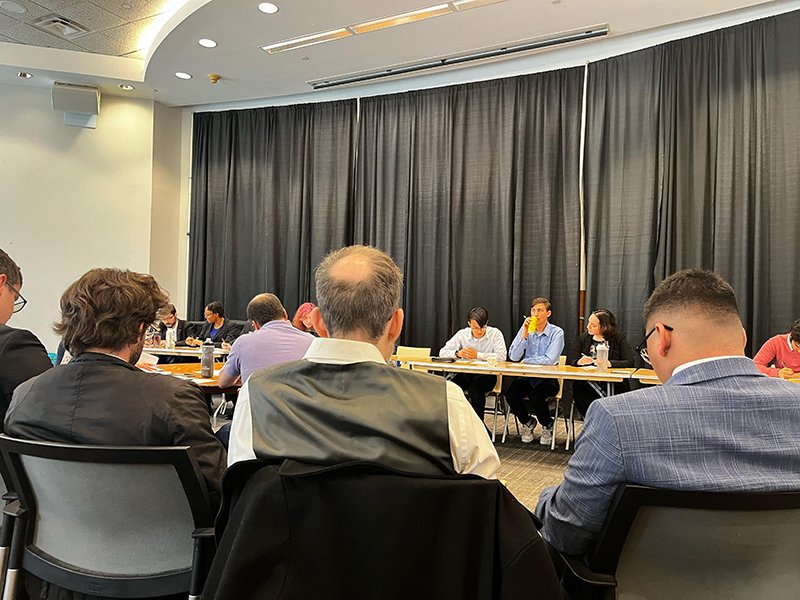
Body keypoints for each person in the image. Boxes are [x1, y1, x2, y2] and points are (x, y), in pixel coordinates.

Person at [535, 269, 800, 558]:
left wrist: (546, 496)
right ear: (743, 337)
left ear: (660, 337)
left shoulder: (617, 419)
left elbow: (565, 534)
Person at [228, 245, 500, 478]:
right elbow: (482, 505)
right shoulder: (446, 404)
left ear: (319, 323)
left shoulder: (256, 395)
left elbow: (245, 496)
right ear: (396, 324)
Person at [5, 268, 227, 512]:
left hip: (49, 546)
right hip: (157, 544)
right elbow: (216, 493)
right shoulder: (173, 398)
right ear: (140, 329)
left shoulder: (25, 394)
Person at [0, 249, 52, 426]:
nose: (12, 312)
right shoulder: (14, 344)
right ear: (1, 283)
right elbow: (50, 409)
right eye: (14, 298)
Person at [218, 293, 315, 388]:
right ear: (285, 314)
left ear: (255, 325)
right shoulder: (312, 342)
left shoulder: (242, 343)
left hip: (257, 403)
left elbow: (223, 383)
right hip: (298, 403)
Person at [504, 298, 565, 445]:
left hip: (548, 379)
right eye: (533, 310)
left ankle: (547, 425)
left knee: (536, 397)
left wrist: (528, 361)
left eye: (540, 310)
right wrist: (524, 335)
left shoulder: (556, 332)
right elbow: (513, 356)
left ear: (548, 313)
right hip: (527, 377)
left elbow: (550, 359)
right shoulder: (526, 329)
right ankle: (527, 422)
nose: (535, 314)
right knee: (511, 394)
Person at [439, 306, 507, 420]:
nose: (479, 331)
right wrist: (457, 353)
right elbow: (443, 352)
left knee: (475, 390)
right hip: (465, 373)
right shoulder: (462, 334)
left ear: (487, 323)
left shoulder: (495, 334)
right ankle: (454, 422)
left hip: (487, 374)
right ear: (469, 323)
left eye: (483, 327)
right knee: (450, 387)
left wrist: (478, 355)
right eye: (475, 328)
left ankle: (479, 425)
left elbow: (502, 357)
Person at [568, 308, 635, 417]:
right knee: (579, 389)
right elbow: (572, 360)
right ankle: (592, 422)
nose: (588, 327)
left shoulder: (618, 338)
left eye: (593, 325)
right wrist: (579, 362)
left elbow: (629, 361)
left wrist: (609, 363)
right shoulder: (583, 338)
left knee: (616, 395)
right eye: (588, 323)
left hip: (613, 382)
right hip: (587, 382)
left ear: (604, 327)